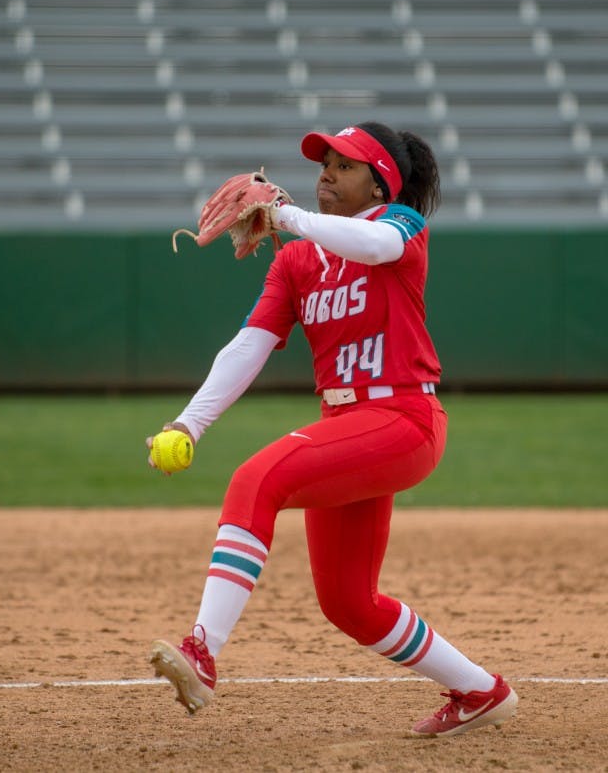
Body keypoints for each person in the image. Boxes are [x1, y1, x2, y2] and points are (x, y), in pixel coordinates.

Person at [146, 122, 517, 738]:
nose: (325, 173)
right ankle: (481, 691)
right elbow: (249, 346)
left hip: (403, 418)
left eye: (344, 165)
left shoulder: (400, 227)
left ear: (380, 182)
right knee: (349, 602)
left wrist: (285, 215)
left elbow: (369, 248)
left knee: (255, 479)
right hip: (348, 426)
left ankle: (202, 652)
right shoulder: (296, 261)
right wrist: (190, 421)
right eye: (323, 163)